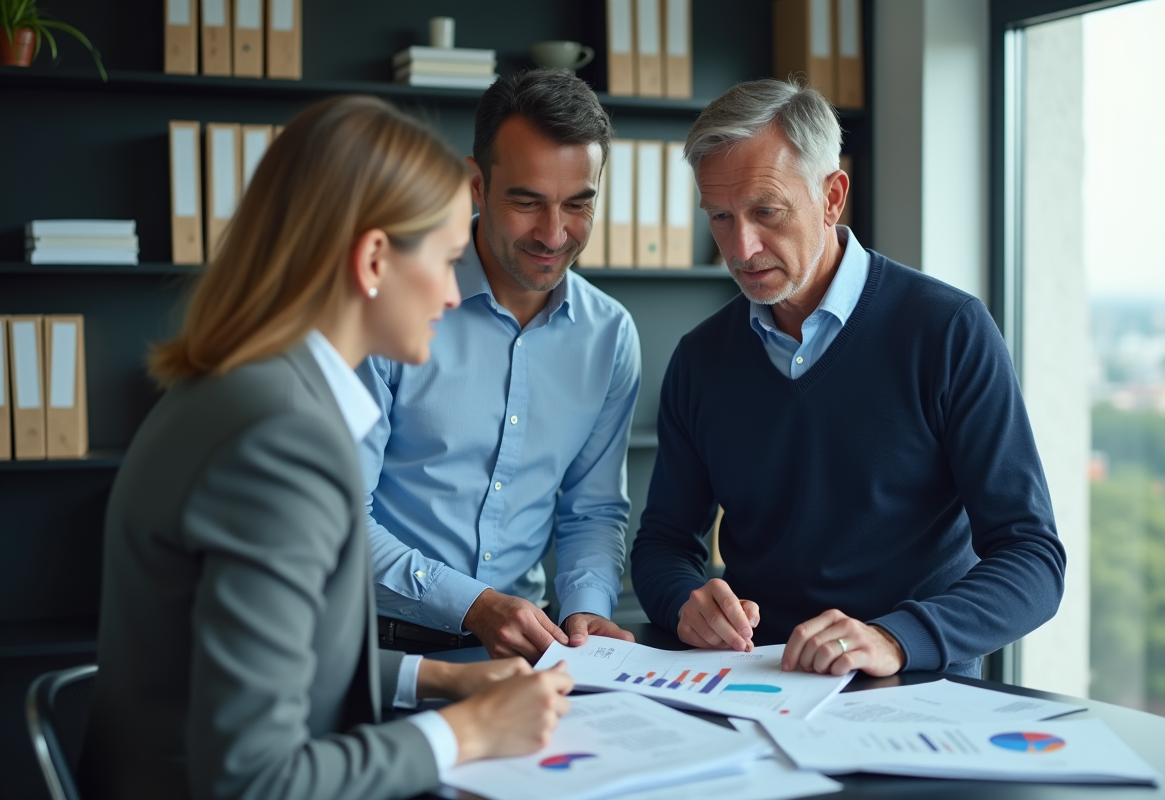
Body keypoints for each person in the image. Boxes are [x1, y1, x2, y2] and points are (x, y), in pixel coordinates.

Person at [78, 96, 573, 800]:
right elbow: (257, 778)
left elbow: (258, 658)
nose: (453, 297)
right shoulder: (283, 442)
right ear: (374, 259)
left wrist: (443, 678)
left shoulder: (238, 391)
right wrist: (468, 732)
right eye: (446, 261)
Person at [631, 79, 1066, 679]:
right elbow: (662, 544)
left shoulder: (949, 331)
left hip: (916, 688)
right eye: (721, 218)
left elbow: (1033, 560)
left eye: (766, 212)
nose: (741, 247)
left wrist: (894, 638)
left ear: (832, 197)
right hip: (755, 685)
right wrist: (686, 601)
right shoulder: (700, 358)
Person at [358, 69, 641, 661]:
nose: (554, 233)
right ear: (477, 186)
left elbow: (592, 510)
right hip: (378, 651)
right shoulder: (392, 306)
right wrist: (475, 605)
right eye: (527, 202)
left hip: (524, 657)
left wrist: (586, 610)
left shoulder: (609, 335)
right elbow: (337, 520)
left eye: (578, 204)